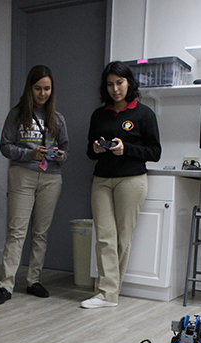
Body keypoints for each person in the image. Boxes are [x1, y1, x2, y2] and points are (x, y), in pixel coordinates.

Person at [81, 61, 161, 309]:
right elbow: (90, 152)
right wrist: (96, 149)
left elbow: (155, 152)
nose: (115, 89)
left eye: (120, 83)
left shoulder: (144, 114)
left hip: (131, 180)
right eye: (110, 84)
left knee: (122, 239)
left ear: (129, 83)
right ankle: (107, 293)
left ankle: (108, 293)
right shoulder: (99, 114)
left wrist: (126, 149)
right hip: (102, 180)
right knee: (104, 236)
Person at [0, 65, 69, 305]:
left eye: (47, 88)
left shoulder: (58, 118)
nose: (42, 93)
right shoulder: (16, 115)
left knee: (40, 233)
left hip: (51, 177)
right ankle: (6, 284)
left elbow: (66, 149)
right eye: (38, 88)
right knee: (16, 231)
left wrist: (59, 155)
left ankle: (33, 280)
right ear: (29, 88)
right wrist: (29, 153)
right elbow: (5, 146)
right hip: (22, 174)